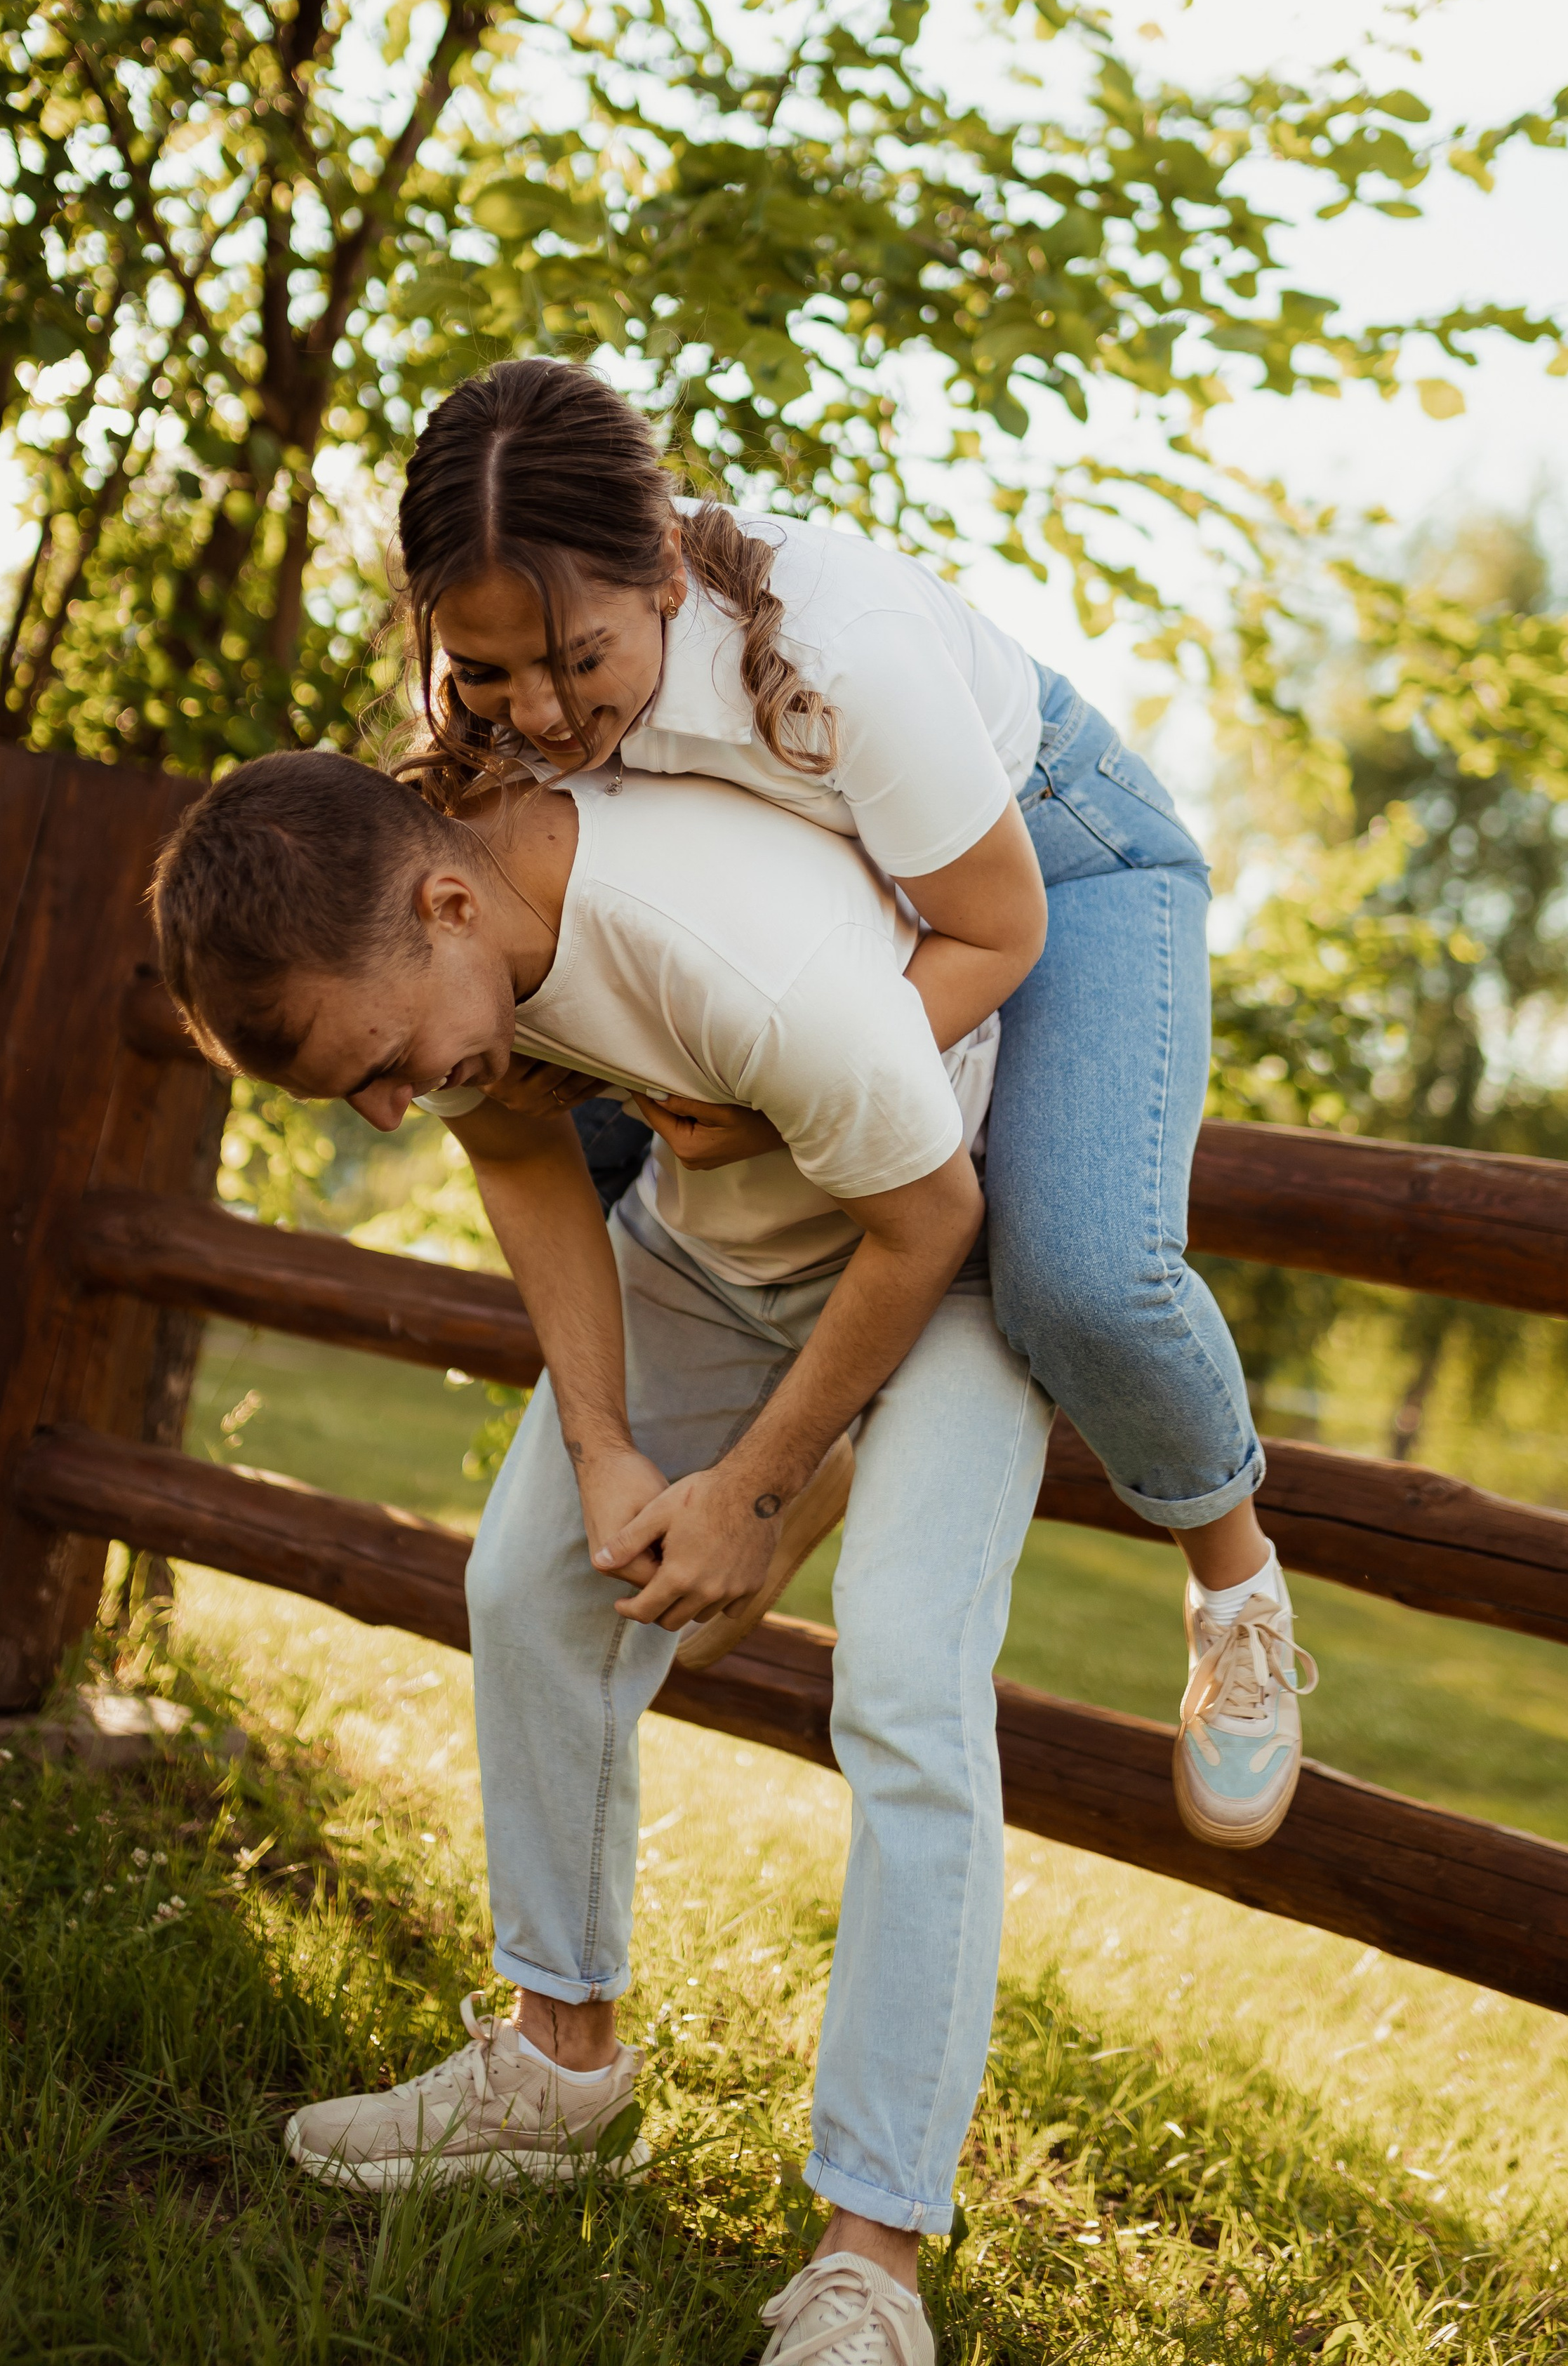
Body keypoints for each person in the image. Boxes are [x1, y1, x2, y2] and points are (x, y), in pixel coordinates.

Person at [154, 747, 1054, 2366]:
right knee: (528, 1585)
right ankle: (558, 2062)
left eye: (375, 1064)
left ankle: (871, 2262)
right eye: (354, 1095)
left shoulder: (707, 940)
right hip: (712, 1255)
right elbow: (514, 1151)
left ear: (444, 906)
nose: (383, 1106)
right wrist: (605, 1452)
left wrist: (757, 1491)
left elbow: (926, 1220)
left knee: (909, 1690)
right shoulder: (464, 956)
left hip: (953, 1250)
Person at [390, 356, 1315, 1853]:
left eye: (575, 660)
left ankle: (1234, 1581)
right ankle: (805, 1450)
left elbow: (991, 933)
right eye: (487, 672)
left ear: (667, 574)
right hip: (822, 910)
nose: (538, 713)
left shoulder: (835, 656)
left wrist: (775, 1111)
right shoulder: (500, 680)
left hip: (1042, 868)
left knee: (1073, 1268)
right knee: (636, 1143)